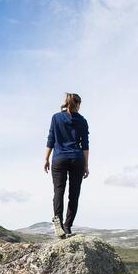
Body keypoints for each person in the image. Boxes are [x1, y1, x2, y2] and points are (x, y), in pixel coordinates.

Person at [44, 92, 89, 238]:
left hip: (59, 158)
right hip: (77, 158)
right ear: (78, 104)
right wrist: (86, 165)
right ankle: (68, 226)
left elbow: (51, 139)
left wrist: (46, 158)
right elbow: (85, 145)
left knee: (59, 191)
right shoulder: (82, 121)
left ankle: (59, 224)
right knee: (74, 194)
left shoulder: (56, 118)